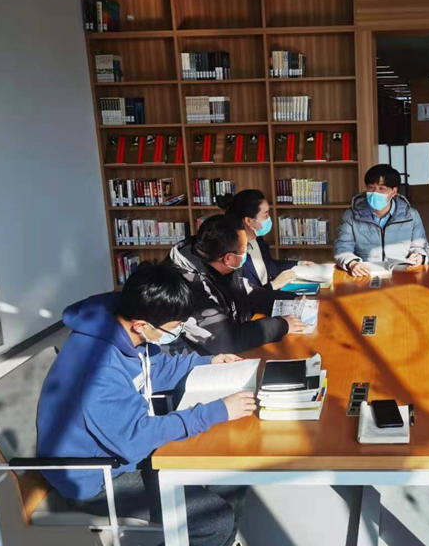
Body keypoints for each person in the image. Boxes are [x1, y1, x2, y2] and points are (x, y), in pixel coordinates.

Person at [36, 263, 252, 546]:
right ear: (141, 325)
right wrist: (215, 412)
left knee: (231, 473)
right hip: (96, 476)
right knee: (213, 521)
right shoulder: (99, 370)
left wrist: (207, 362)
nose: (177, 333)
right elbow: (135, 439)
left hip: (121, 449)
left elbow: (154, 369)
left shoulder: (124, 326)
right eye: (173, 328)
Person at [164, 214, 306, 355]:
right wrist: (281, 325)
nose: (246, 253)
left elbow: (247, 293)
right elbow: (226, 340)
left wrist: (292, 300)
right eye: (245, 249)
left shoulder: (215, 257)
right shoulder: (189, 286)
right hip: (195, 360)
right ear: (228, 258)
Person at [334, 164, 429, 277]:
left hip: (401, 274)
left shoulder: (411, 216)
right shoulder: (351, 215)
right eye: (370, 188)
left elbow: (421, 247)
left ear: (393, 191)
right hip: (365, 274)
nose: (375, 193)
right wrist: (352, 263)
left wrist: (419, 256)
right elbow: (342, 247)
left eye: (381, 189)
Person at [218, 189, 314, 290]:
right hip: (261, 299)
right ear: (248, 221)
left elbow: (271, 265)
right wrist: (273, 285)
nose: (269, 219)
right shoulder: (233, 254)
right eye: (265, 215)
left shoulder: (258, 239)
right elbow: (243, 295)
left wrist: (298, 264)